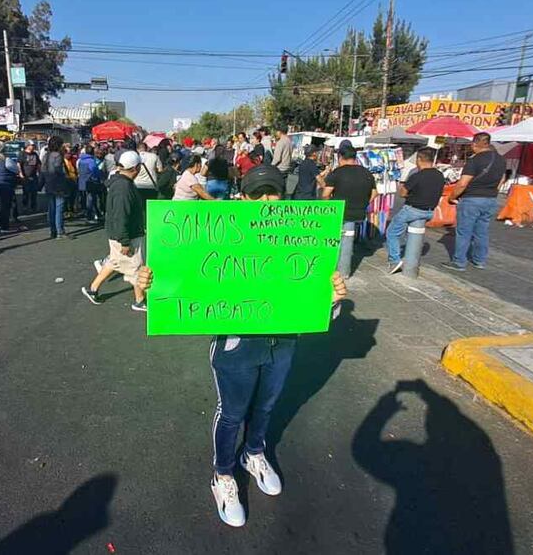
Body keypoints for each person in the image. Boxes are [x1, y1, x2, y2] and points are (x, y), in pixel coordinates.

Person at [135, 164, 349, 528]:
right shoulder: (219, 231)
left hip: (283, 341)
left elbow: (314, 302)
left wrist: (332, 298)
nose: (266, 200)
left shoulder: (301, 234)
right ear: (243, 197)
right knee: (232, 412)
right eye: (257, 193)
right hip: (236, 343)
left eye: (273, 192)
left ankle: (254, 453)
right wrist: (145, 286)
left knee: (266, 405)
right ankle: (223, 474)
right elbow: (179, 279)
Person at [81, 150, 149, 312]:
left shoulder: (119, 183)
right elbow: (121, 215)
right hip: (127, 235)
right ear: (136, 168)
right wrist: (124, 241)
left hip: (119, 233)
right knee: (136, 266)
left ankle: (93, 289)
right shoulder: (124, 187)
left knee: (114, 261)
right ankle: (139, 300)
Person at [443, 132, 507, 272]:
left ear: (475, 144)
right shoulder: (500, 160)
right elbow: (502, 179)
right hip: (490, 199)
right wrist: (492, 191)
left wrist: (452, 197)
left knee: (464, 232)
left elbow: (462, 183)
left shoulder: (474, 160)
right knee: (482, 231)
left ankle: (459, 262)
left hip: (472, 199)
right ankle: (479, 260)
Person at [385, 149, 445, 274]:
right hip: (429, 212)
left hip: (412, 209)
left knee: (392, 232)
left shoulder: (417, 176)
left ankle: (394, 260)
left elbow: (402, 193)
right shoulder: (440, 175)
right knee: (410, 233)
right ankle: (410, 257)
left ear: (419, 159)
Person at [320, 144, 378, 233]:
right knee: (352, 236)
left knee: (343, 237)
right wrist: (364, 203)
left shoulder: (337, 173)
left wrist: (331, 207)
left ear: (340, 157)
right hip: (360, 214)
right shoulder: (367, 172)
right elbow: (375, 193)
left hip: (341, 214)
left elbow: (325, 195)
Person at [42, 136, 70, 239]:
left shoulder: (46, 155)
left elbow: (42, 170)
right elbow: (58, 170)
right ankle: (60, 231)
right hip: (58, 184)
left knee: (51, 208)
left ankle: (52, 230)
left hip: (48, 183)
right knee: (59, 208)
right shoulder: (58, 155)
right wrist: (65, 176)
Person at [0, 142, 19, 233]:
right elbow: (15, 170)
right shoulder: (6, 159)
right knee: (5, 205)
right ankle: (5, 227)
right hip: (5, 183)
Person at [78, 144, 103, 223]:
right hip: (91, 182)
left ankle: (95, 214)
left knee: (89, 198)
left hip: (82, 181)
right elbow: (95, 172)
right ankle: (90, 217)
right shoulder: (91, 161)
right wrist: (99, 177)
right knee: (91, 199)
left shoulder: (81, 160)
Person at [133, 142, 160, 209]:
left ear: (137, 149)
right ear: (147, 148)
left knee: (139, 207)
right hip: (151, 185)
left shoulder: (135, 157)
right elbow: (160, 169)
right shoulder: (154, 156)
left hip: (137, 185)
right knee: (150, 208)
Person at [20, 142, 42, 212]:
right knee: (26, 192)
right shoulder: (22, 154)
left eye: (33, 145)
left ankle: (33, 207)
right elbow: (19, 164)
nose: (33, 147)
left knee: (34, 192)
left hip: (34, 176)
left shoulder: (35, 154)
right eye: (32, 145)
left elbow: (38, 164)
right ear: (28, 146)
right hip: (25, 176)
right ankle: (25, 206)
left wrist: (40, 173)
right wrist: (21, 173)